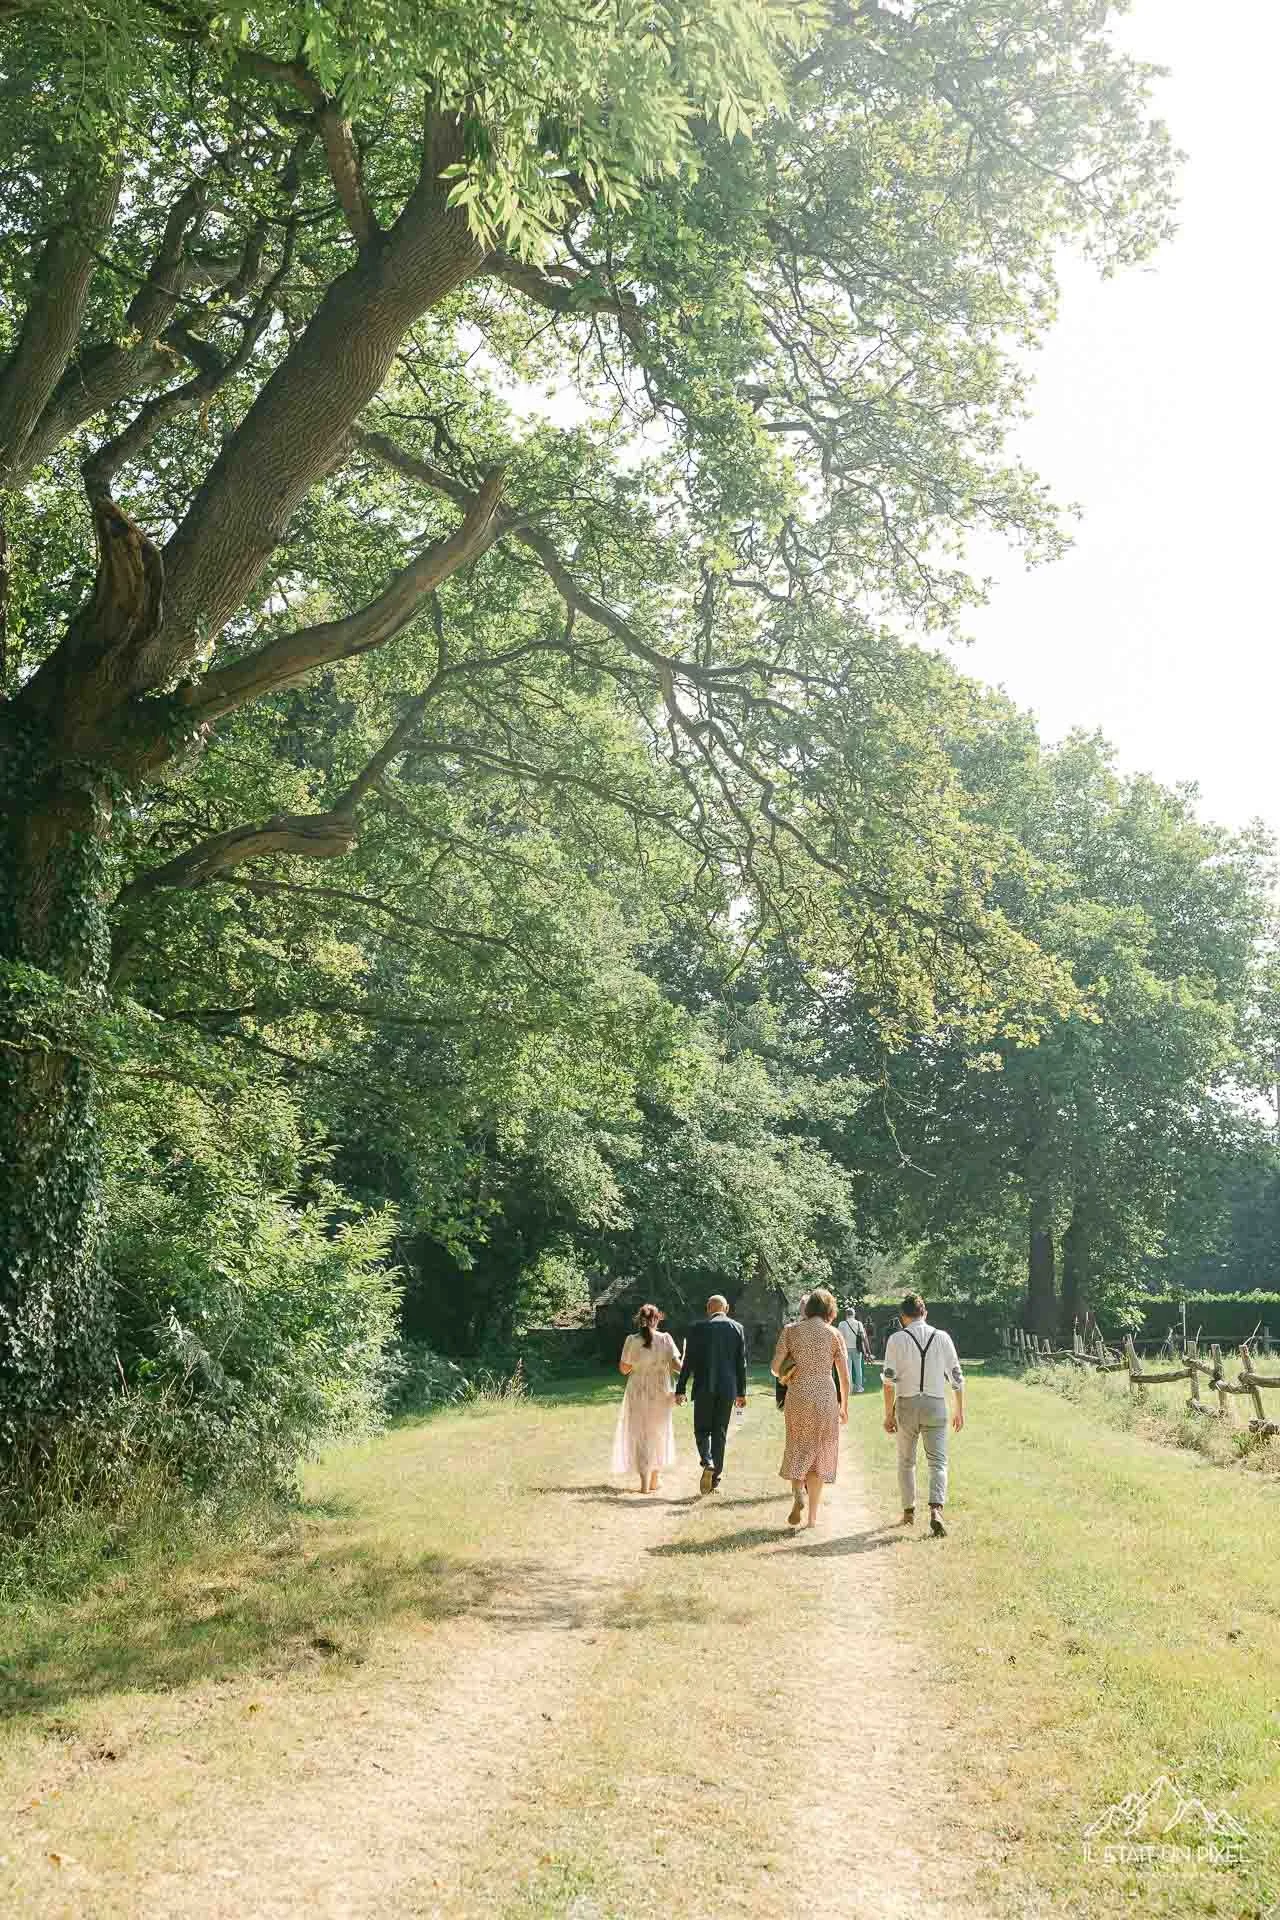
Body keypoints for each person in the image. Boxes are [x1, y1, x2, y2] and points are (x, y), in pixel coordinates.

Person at [881, 1291, 965, 1537]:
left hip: (907, 1403)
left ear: (902, 1317)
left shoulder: (896, 1340)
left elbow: (888, 1381)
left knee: (906, 1461)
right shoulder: (943, 1337)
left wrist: (888, 1414)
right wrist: (959, 1409)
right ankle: (936, 1509)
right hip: (935, 1403)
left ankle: (908, 1511)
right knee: (938, 1461)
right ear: (924, 1313)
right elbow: (957, 1377)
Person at [771, 1287, 850, 1529]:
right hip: (826, 1396)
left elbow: (775, 1368)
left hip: (799, 1394)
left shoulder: (791, 1331)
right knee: (819, 1454)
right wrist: (844, 1406)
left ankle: (797, 1492)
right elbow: (844, 1378)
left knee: (797, 1444)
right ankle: (812, 1519)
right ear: (829, 1310)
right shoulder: (834, 1334)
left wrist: (788, 1372)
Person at [675, 1294, 748, 1493]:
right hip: (727, 1389)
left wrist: (680, 1388)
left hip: (703, 1387)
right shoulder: (737, 1328)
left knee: (701, 1430)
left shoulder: (697, 1328)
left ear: (708, 1308)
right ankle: (715, 1477)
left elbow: (687, 1361)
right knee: (720, 1432)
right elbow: (741, 1363)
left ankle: (707, 1460)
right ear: (727, 1308)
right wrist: (741, 1392)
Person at [612, 1304, 681, 1493]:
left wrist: (640, 1365)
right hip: (660, 1390)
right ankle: (654, 1481)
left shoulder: (631, 1340)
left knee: (640, 1434)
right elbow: (678, 1367)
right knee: (658, 1432)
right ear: (657, 1319)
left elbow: (624, 1369)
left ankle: (644, 1482)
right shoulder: (666, 1339)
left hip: (638, 1389)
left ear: (639, 1320)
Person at [835, 1302, 867, 1394]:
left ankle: (849, 1389)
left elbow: (839, 1337)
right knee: (858, 1369)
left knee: (848, 1369)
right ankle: (859, 1387)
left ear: (846, 1314)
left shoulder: (842, 1324)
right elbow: (863, 1336)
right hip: (857, 1348)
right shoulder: (859, 1323)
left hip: (846, 1348)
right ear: (854, 1314)